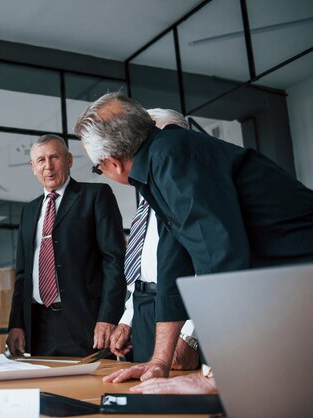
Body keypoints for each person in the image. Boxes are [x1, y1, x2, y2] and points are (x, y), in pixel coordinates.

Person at [74, 92, 313, 386]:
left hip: (299, 272)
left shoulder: (173, 159)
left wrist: (215, 375)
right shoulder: (161, 160)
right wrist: (159, 361)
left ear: (113, 162)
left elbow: (220, 262)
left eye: (98, 168)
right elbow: (173, 261)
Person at [7, 134, 126, 357]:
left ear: (69, 160)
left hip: (87, 324)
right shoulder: (29, 211)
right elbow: (22, 274)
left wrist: (108, 317)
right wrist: (17, 324)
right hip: (38, 327)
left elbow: (115, 261)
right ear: (33, 167)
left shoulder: (96, 196)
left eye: (55, 157)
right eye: (41, 160)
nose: (48, 166)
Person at [109, 108, 198, 369]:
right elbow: (142, 270)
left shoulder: (190, 196)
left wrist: (190, 335)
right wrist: (127, 320)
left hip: (185, 313)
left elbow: (211, 268)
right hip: (144, 308)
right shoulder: (147, 199)